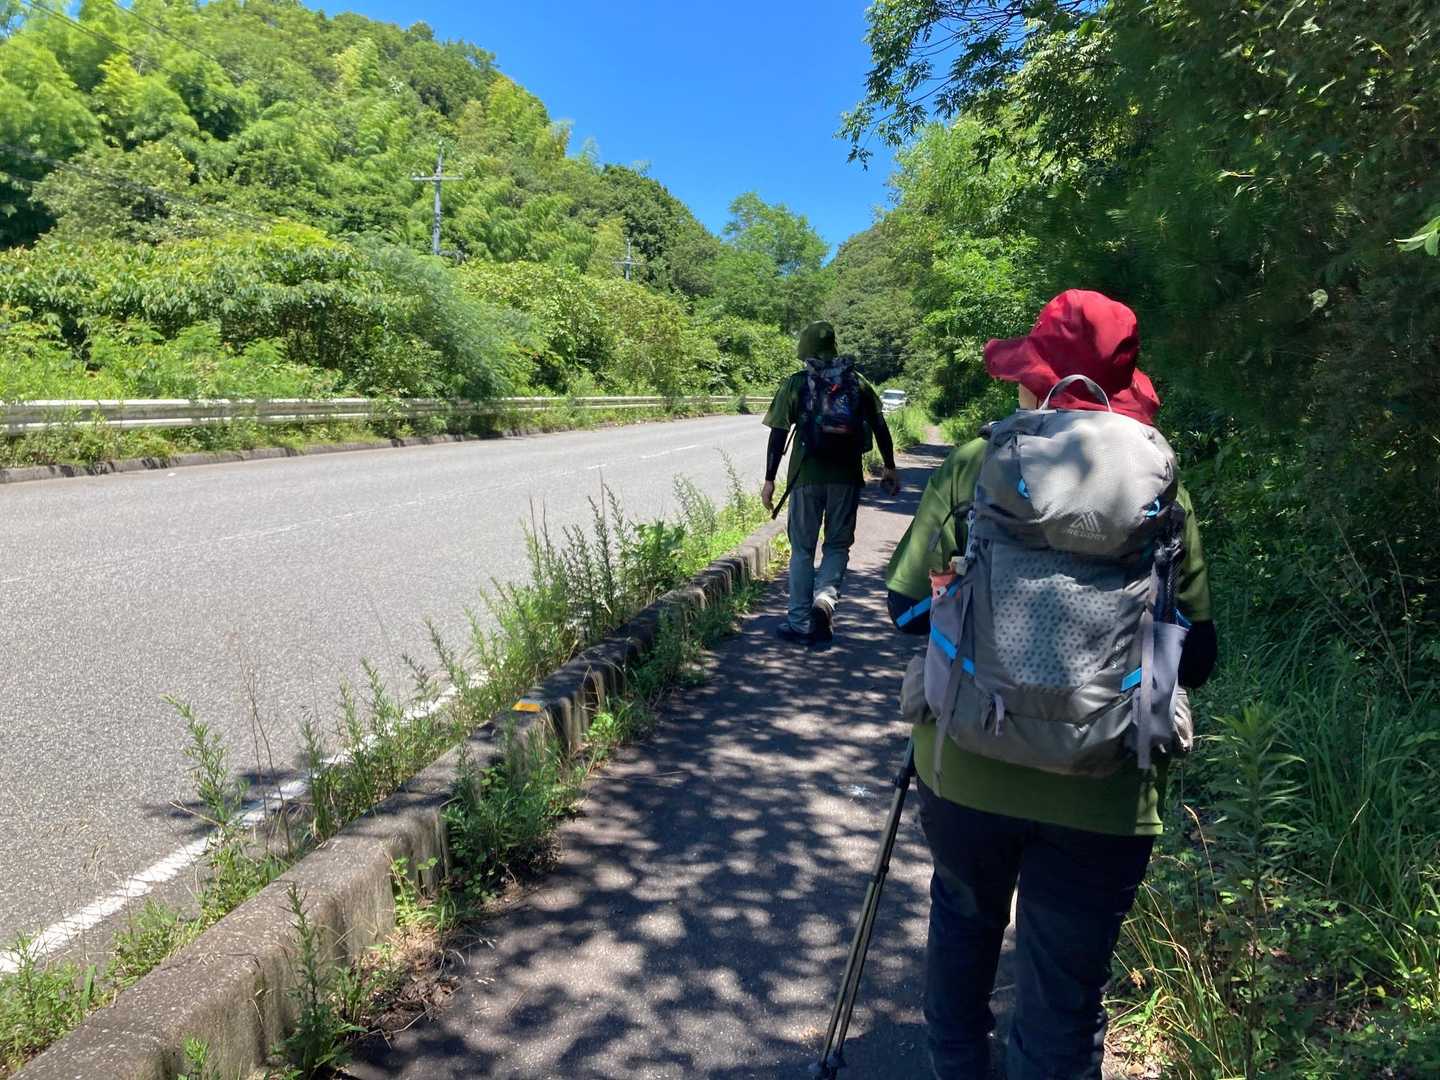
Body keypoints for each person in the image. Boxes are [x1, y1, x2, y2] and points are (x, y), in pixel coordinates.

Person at [885, 290, 1219, 1079]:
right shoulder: (1162, 488)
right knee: (1064, 998)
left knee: (964, 924)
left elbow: (904, 611)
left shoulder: (975, 465)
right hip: (1107, 787)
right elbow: (1196, 655)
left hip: (966, 766)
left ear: (1037, 381)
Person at [761, 320, 899, 644]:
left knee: (802, 549)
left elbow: (778, 434)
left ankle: (799, 622)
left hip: (806, 477)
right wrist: (890, 467)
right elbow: (880, 426)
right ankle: (824, 599)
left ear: (805, 348)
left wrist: (769, 480)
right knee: (837, 545)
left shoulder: (797, 383)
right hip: (846, 478)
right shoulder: (857, 382)